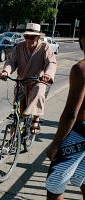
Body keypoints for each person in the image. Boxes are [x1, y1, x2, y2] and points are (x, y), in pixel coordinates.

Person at [45, 18, 85, 200]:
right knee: (83, 180)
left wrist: (55, 144)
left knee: (54, 185)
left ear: (81, 36)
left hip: (79, 132)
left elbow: (71, 114)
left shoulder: (81, 69)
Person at [0, 23, 57, 134]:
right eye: (26, 37)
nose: (29, 39)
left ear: (38, 37)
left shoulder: (45, 47)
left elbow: (51, 62)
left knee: (39, 90)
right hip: (22, 82)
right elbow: (11, 61)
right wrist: (6, 72)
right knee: (16, 110)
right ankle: (12, 137)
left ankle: (35, 118)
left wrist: (47, 75)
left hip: (37, 81)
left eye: (32, 37)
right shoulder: (19, 47)